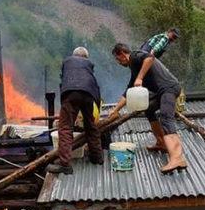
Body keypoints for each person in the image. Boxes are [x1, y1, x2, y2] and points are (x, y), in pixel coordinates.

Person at [109, 43, 187, 174]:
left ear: (122, 54)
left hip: (168, 88)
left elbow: (150, 57)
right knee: (149, 109)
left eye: (118, 59)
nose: (118, 62)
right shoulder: (135, 68)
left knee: (166, 118)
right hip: (160, 92)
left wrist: (140, 78)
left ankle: (177, 158)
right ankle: (161, 142)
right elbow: (128, 92)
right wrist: (115, 110)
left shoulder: (135, 56)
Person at [47, 46, 103, 175]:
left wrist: (64, 106)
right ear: (85, 57)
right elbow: (94, 84)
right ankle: (97, 158)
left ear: (74, 55)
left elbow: (64, 82)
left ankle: (65, 165)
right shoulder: (89, 64)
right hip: (89, 93)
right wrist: (97, 110)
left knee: (66, 128)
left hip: (71, 93)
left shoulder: (67, 61)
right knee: (91, 126)